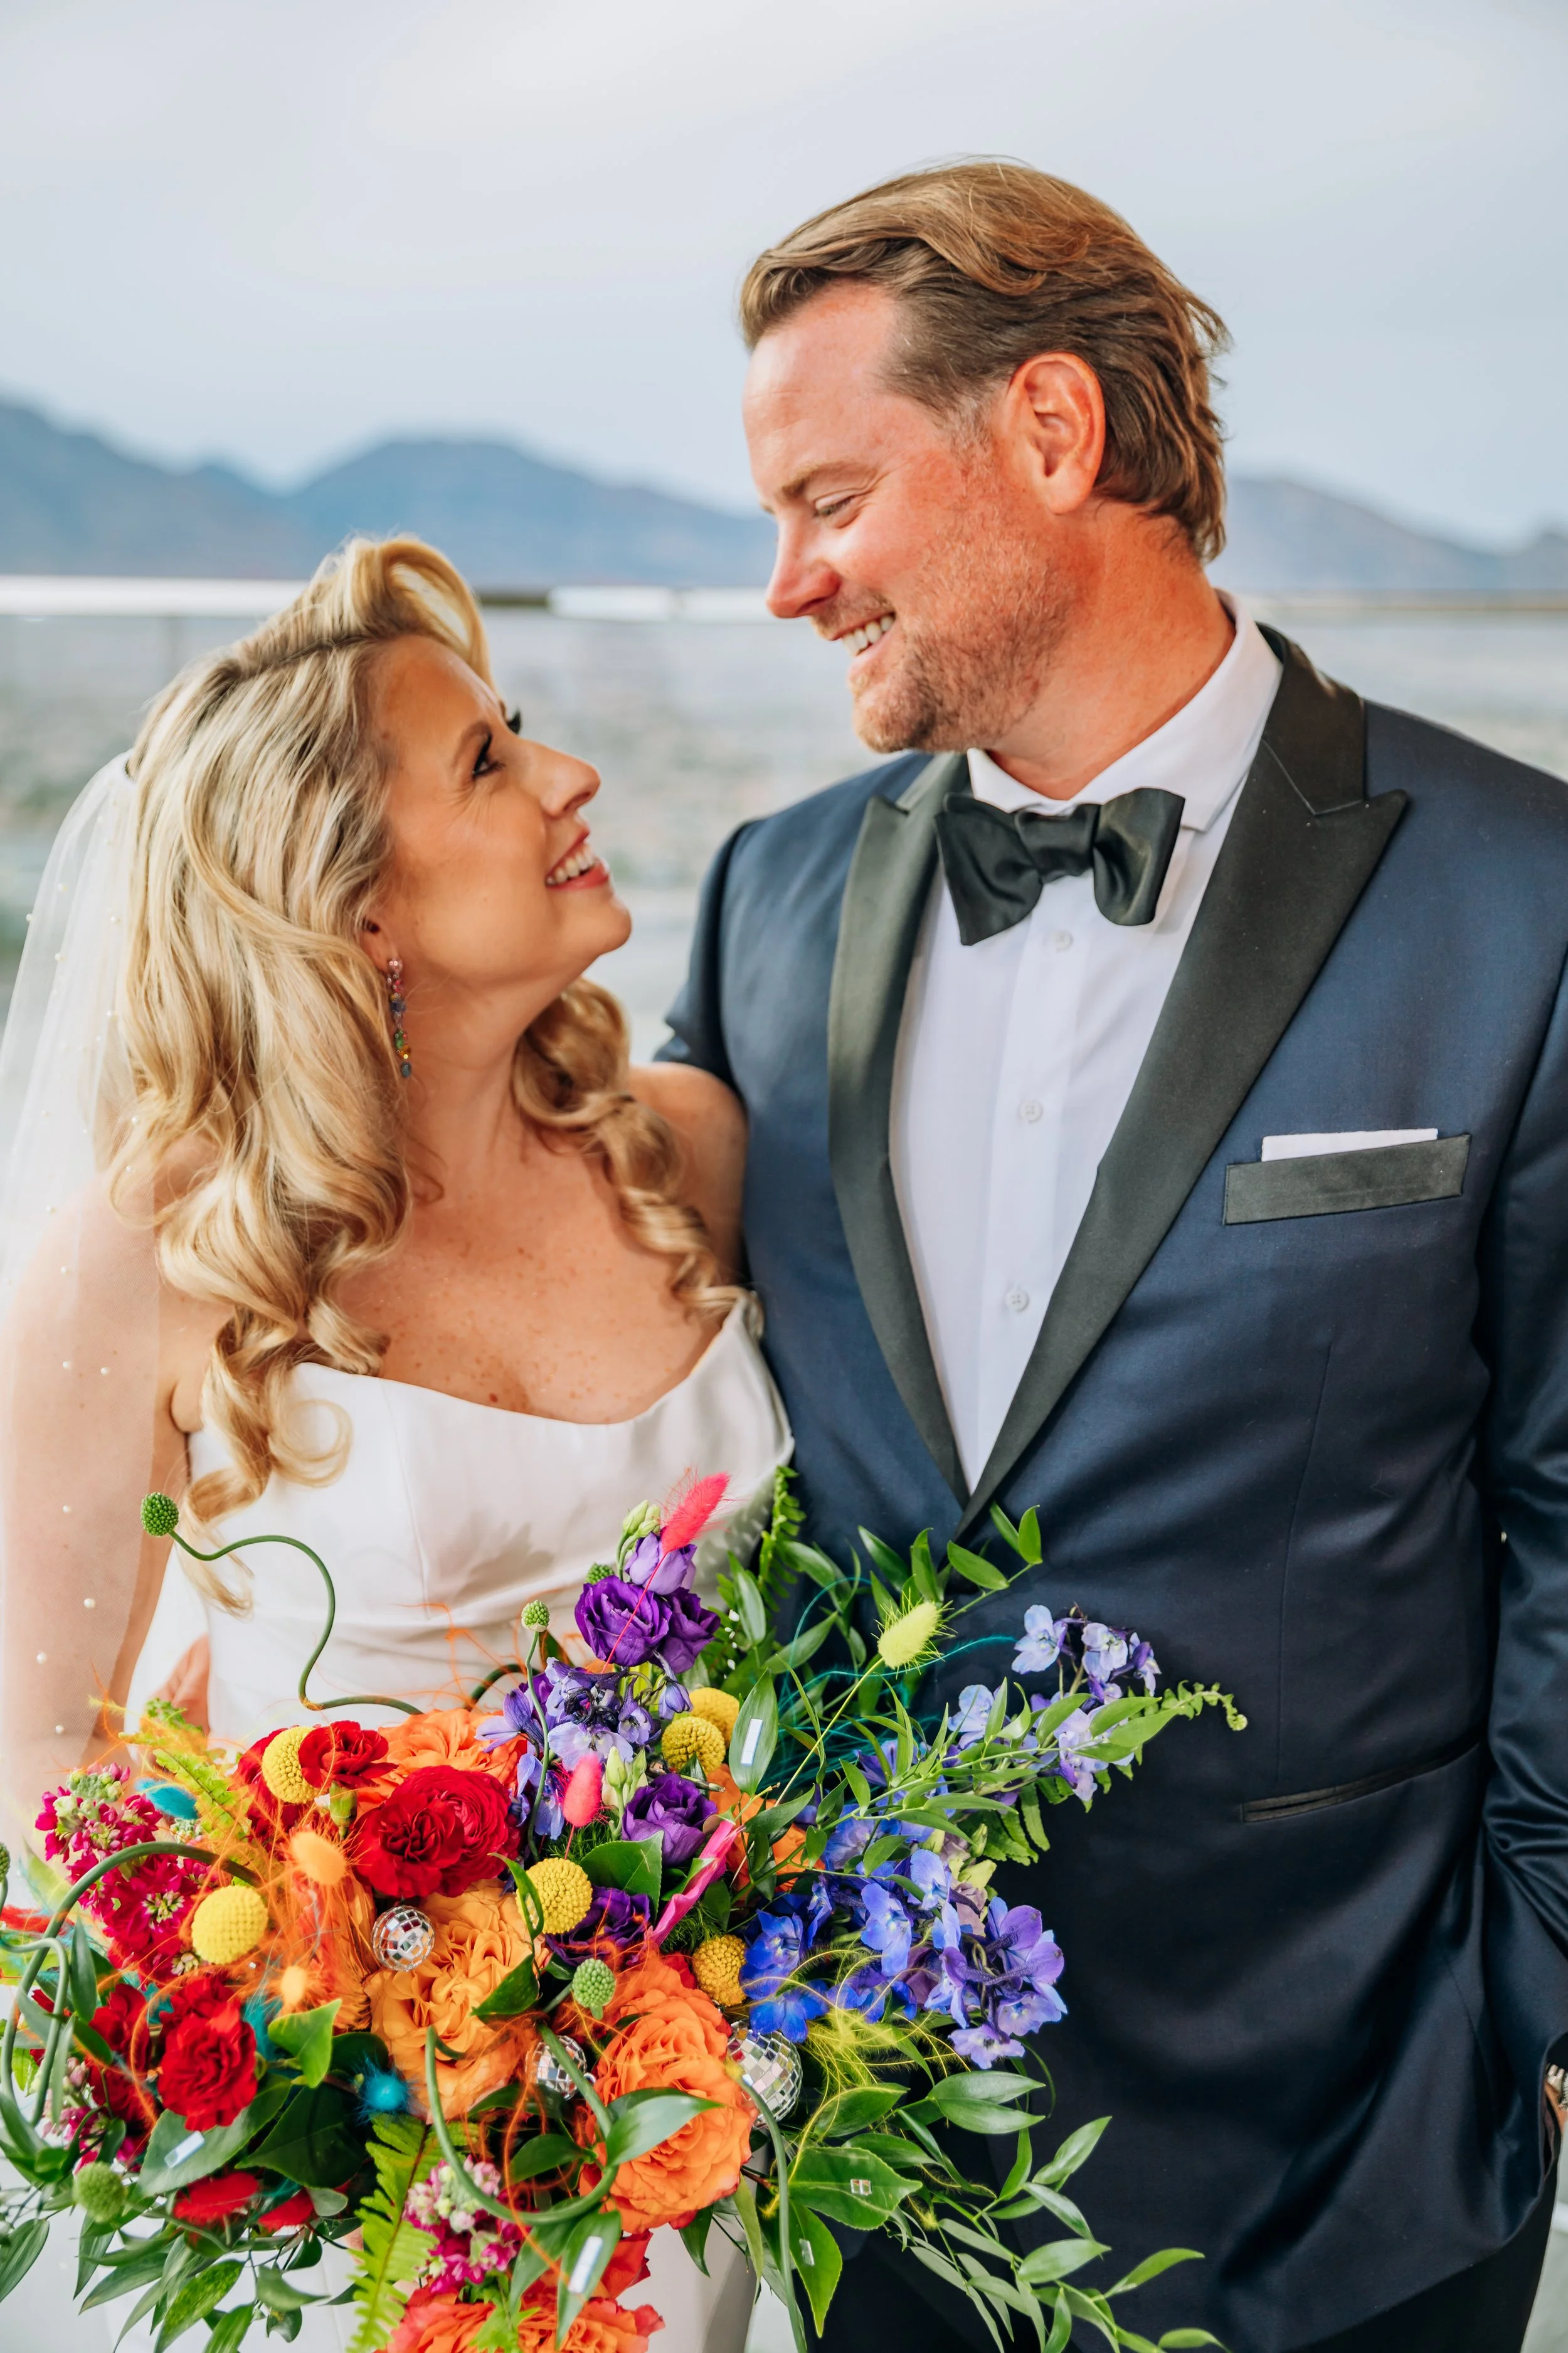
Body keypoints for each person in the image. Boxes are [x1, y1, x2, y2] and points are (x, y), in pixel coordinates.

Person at [659, 159, 1568, 2352]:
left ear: (1052, 434)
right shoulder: (759, 909)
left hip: (1354, 2138)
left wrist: (1526, 2011)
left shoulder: (1522, 900)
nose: (787, 582)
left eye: (830, 497)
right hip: (859, 2153)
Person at [0, 537, 785, 2353]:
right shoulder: (150, 1253)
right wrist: (297, 2035)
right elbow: (38, 1749)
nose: (570, 777)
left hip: (678, 2140)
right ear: (357, 906)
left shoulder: (687, 1154)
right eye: (493, 763)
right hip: (342, 2206)